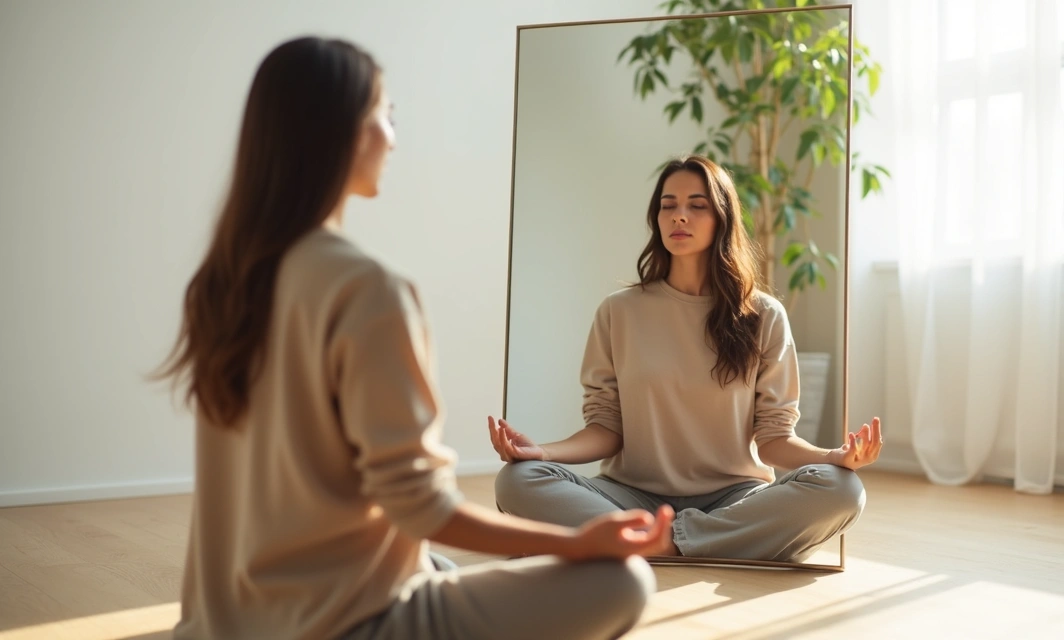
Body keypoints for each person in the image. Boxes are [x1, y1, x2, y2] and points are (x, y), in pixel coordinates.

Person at [154, 36, 673, 640]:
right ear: (341, 129)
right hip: (340, 624)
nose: (393, 136)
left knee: (435, 565)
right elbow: (421, 506)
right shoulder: (366, 288)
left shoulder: (221, 282)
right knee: (624, 580)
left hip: (223, 624)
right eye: (386, 114)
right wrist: (578, 543)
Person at [490, 154, 881, 563]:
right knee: (517, 480)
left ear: (722, 219)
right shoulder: (618, 311)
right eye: (668, 205)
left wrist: (833, 458)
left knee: (844, 489)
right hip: (629, 496)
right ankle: (690, 542)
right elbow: (606, 428)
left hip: (733, 498)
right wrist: (542, 453)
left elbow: (774, 441)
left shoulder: (764, 316)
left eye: (697, 205)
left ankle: (655, 543)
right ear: (656, 219)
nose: (679, 216)